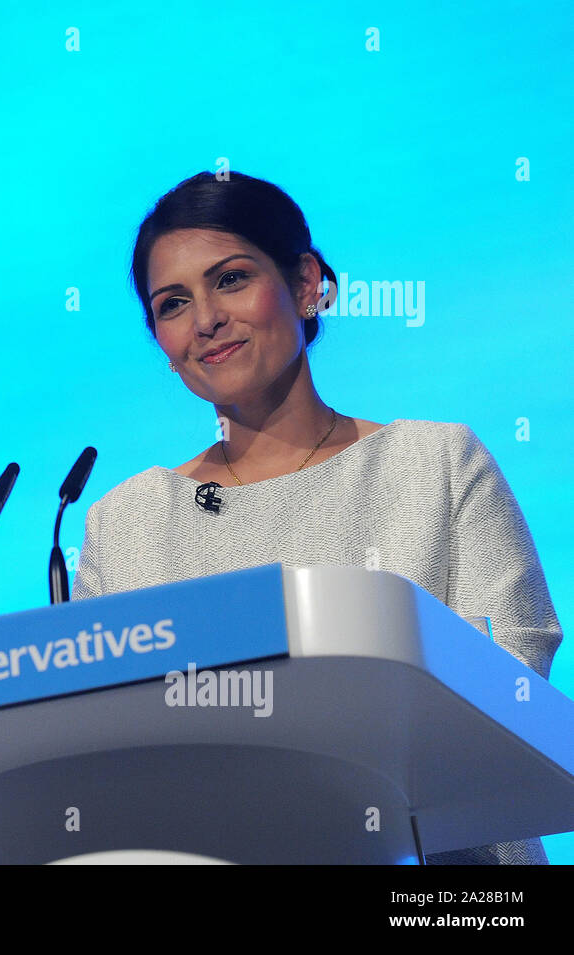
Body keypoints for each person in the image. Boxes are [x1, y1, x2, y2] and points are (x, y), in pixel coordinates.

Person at [71, 170, 564, 865]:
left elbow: (511, 678)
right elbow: (111, 753)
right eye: (173, 302)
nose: (206, 318)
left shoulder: (437, 463)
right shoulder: (125, 523)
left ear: (306, 283)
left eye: (232, 279)